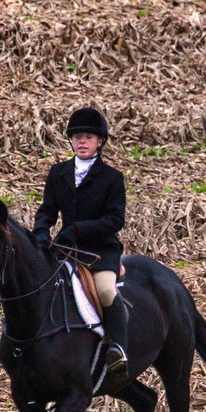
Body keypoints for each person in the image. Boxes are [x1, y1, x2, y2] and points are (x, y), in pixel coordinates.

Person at [33, 107, 129, 374]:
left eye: (88, 137)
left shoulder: (112, 178)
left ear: (100, 142)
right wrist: (41, 232)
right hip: (65, 249)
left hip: (99, 252)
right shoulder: (58, 173)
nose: (82, 142)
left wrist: (77, 230)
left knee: (106, 290)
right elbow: (47, 210)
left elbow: (114, 220)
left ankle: (118, 347)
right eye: (77, 137)